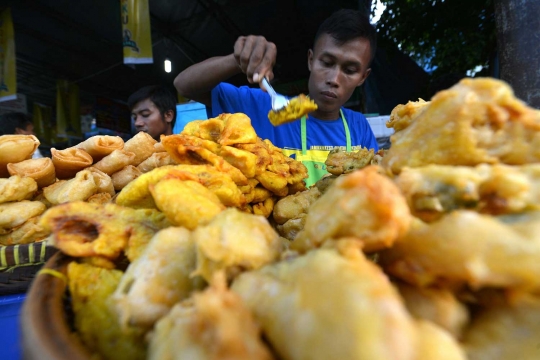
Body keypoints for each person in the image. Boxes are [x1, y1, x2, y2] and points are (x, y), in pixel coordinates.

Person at [174, 9, 379, 186]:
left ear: (363, 77)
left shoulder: (358, 126)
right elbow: (185, 85)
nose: (334, 79)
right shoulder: (267, 107)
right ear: (310, 60)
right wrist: (237, 61)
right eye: (326, 63)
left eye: (350, 70)